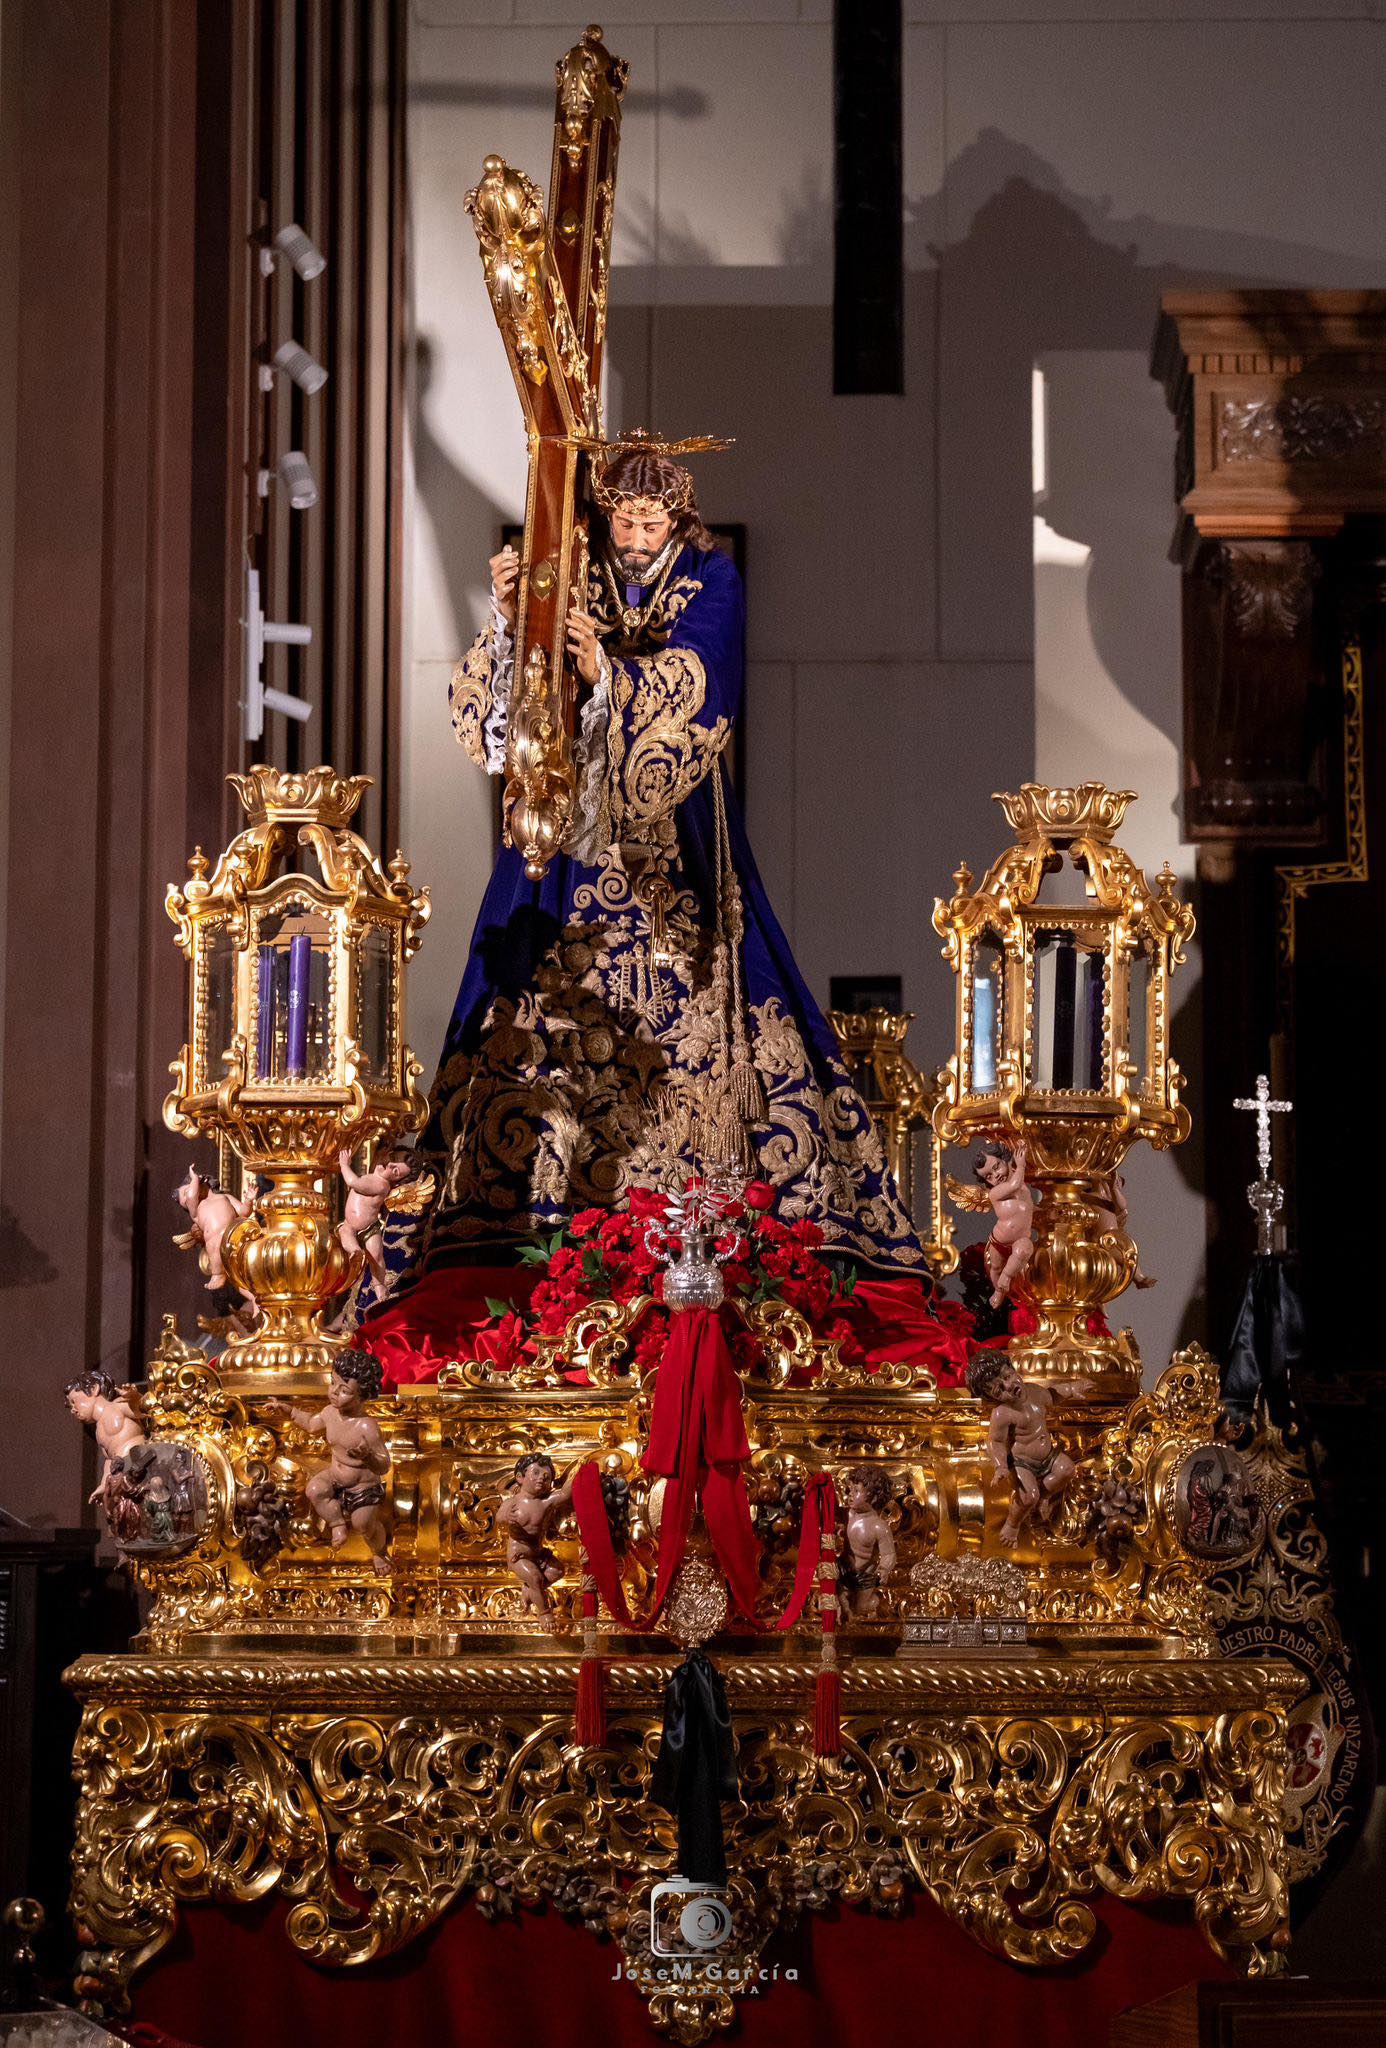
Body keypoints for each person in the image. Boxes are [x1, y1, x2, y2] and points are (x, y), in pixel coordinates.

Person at [378, 434, 930, 1327]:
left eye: (651, 518)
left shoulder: (711, 580)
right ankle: (533, 1237)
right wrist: (513, 620)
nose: (635, 535)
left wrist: (609, 674)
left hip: (676, 847)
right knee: (527, 1022)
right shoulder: (572, 572)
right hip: (566, 856)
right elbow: (502, 723)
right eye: (623, 518)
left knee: (719, 1006)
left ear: (678, 517)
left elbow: (705, 679)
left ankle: (716, 1220)